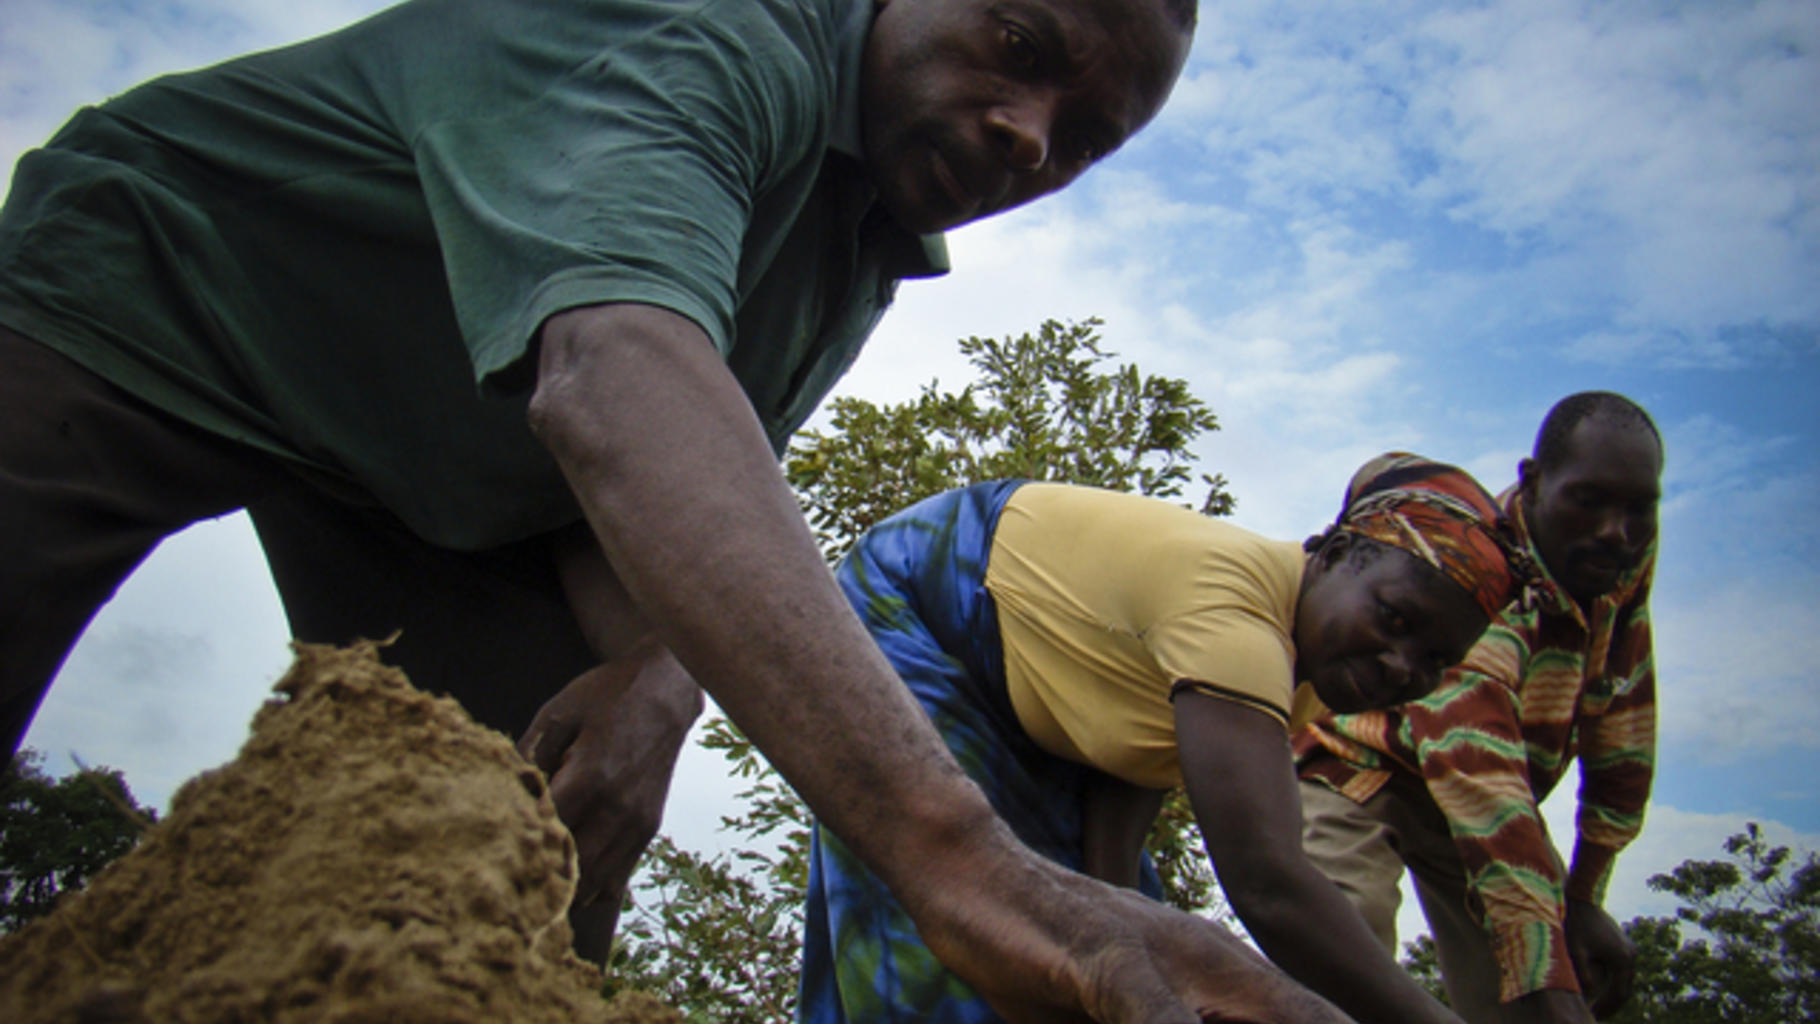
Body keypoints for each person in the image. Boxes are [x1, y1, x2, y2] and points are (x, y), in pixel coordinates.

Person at [0, 1, 1347, 1019]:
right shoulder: (704, 29)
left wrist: (658, 669)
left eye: (1085, 139)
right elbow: (613, 370)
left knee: (529, 864)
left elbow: (656, 483)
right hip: (165, 284)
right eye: (1018, 44)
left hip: (458, 471)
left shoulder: (859, 248)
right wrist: (962, 862)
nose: (1030, 134)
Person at [798, 453, 1533, 1024]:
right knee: (965, 926)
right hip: (922, 607)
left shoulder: (1309, 662)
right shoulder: (1240, 624)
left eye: (1437, 660)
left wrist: (1112, 906)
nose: (1403, 667)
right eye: (1395, 619)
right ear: (1336, 553)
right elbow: (1270, 884)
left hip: (1033, 698)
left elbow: (1136, 749)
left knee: (1135, 960)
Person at [1294, 392, 1664, 1024]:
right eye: (1589, 501)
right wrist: (1549, 974)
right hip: (1361, 765)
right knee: (1336, 957)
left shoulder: (1617, 564)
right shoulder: (1478, 576)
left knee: (1535, 992)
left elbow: (1624, 717)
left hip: (1491, 793)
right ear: (1535, 482)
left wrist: (1585, 894)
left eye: (1638, 509)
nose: (1615, 530)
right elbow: (1477, 767)